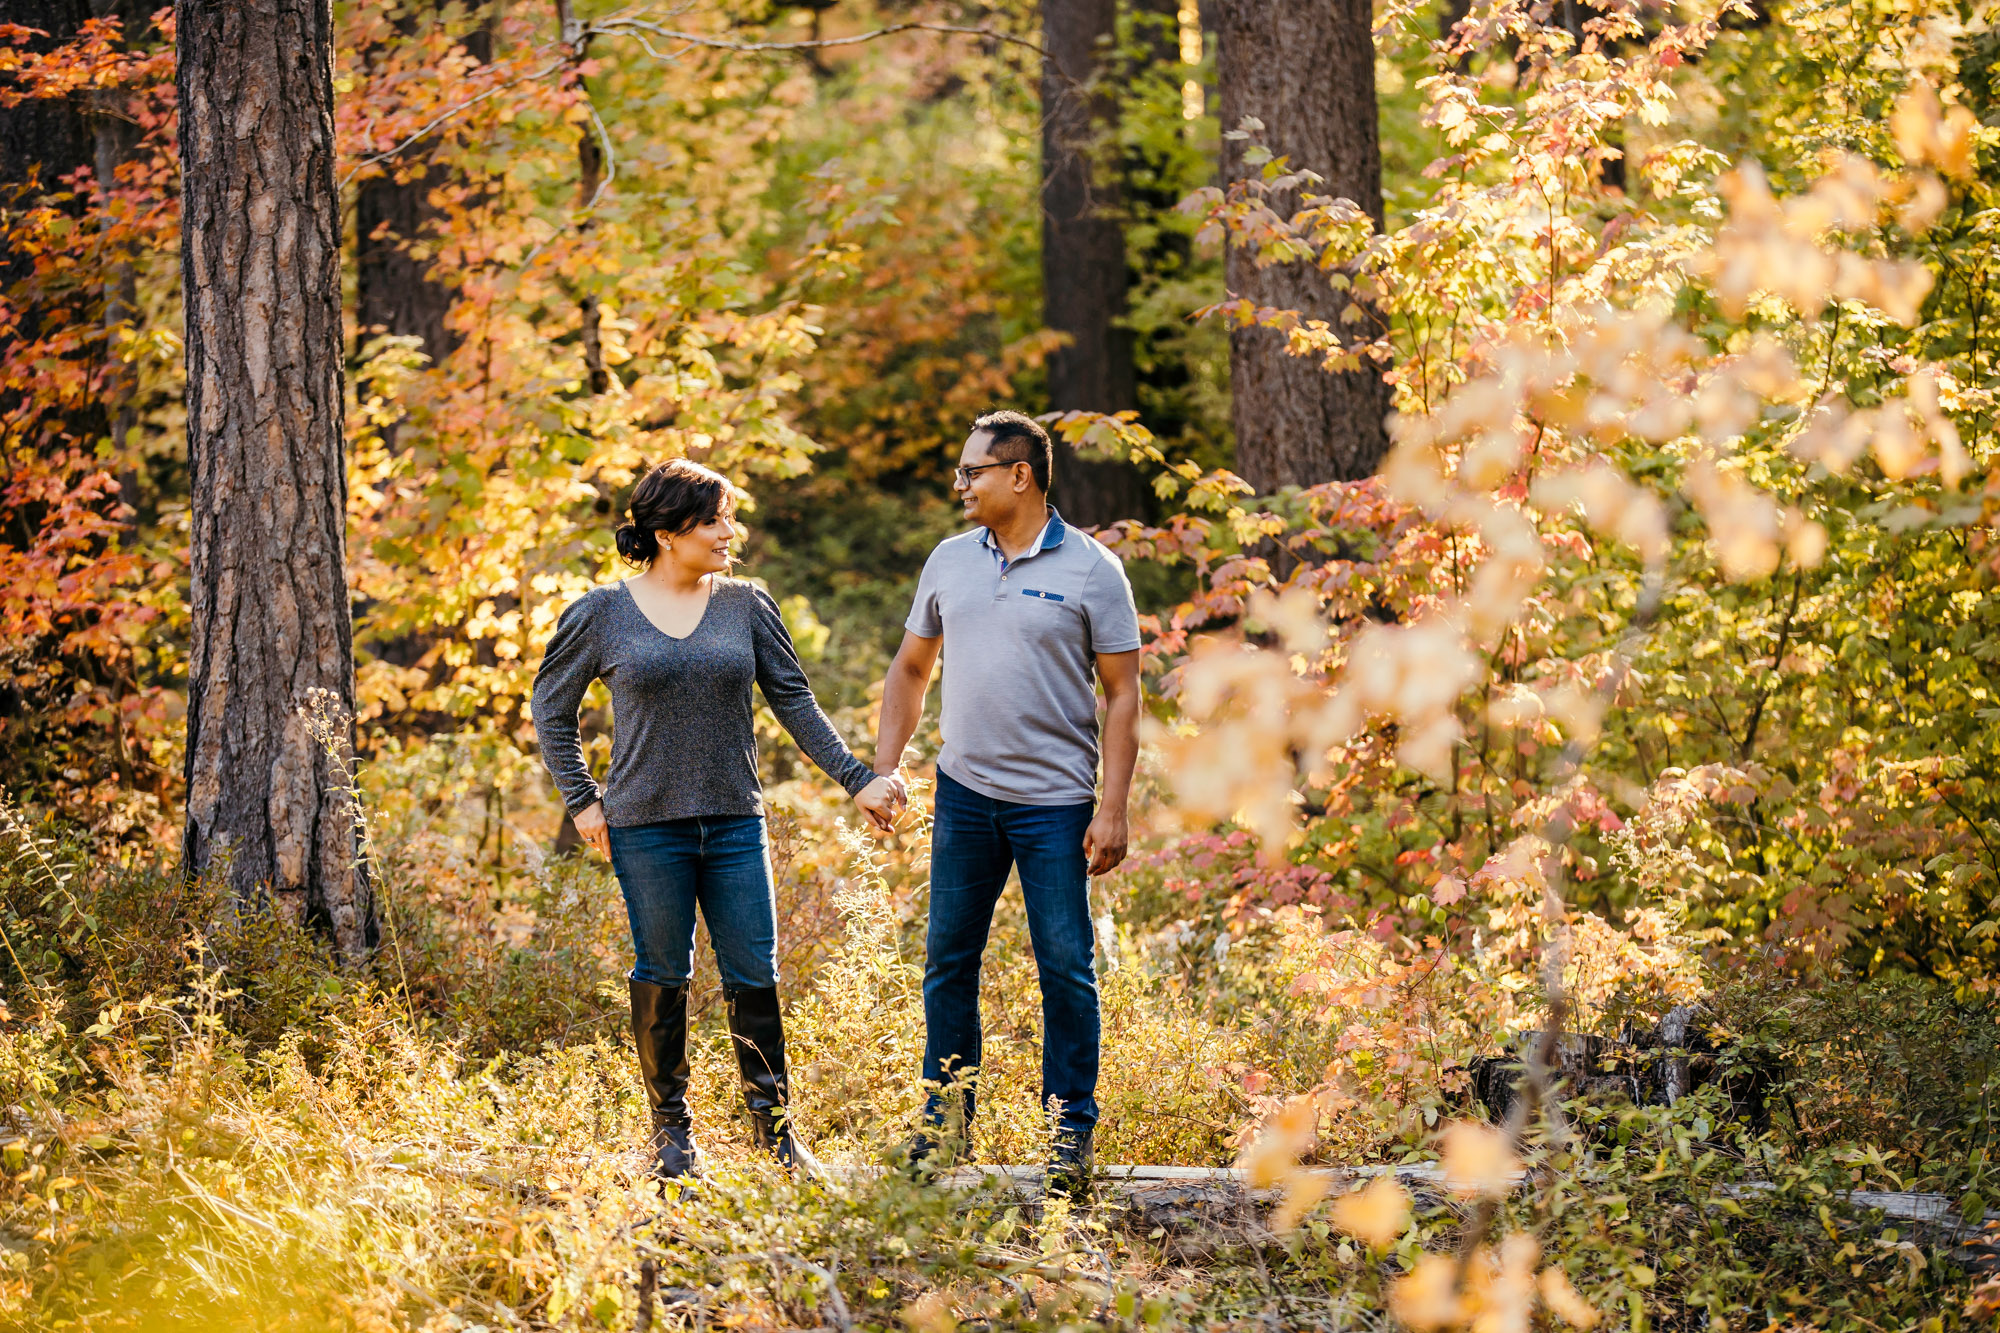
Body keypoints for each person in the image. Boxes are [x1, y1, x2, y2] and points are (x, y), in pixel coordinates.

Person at [531, 458, 907, 1180]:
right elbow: (551, 708)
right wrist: (581, 800)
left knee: (754, 975)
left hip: (736, 821)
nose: (730, 532)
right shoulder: (600, 613)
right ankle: (674, 1137)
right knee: (663, 972)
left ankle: (776, 1136)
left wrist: (858, 778)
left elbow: (794, 700)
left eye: (729, 517)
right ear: (669, 532)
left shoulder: (747, 605)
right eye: (714, 520)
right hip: (646, 825)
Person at [872, 410, 1143, 1199]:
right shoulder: (950, 562)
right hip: (964, 797)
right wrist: (887, 769)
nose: (960, 485)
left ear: (1019, 474)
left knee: (1066, 969)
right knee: (947, 962)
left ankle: (1069, 1135)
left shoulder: (1094, 569)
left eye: (972, 472)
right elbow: (910, 668)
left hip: (1056, 804)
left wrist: (1114, 807)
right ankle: (945, 1128)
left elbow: (1123, 694)